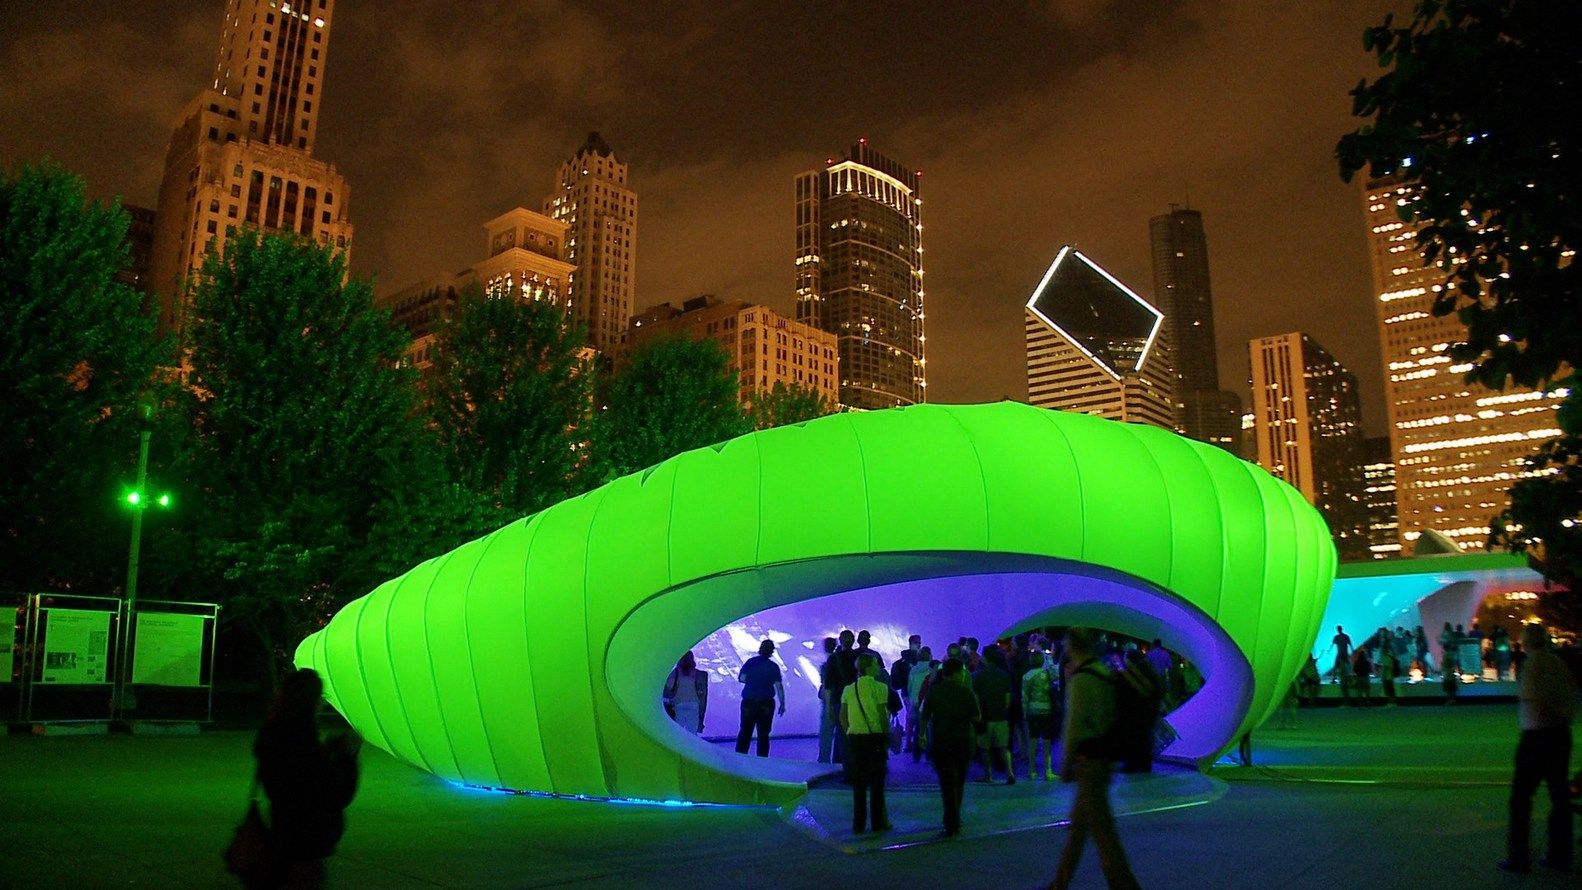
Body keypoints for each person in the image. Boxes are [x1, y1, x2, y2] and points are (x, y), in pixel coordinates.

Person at [253, 668, 360, 888]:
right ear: (309, 702)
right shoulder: (304, 743)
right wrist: (346, 759)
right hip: (306, 838)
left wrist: (327, 751)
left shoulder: (273, 734)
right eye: (320, 697)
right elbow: (335, 793)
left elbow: (289, 779)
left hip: (283, 829)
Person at [1051, 627, 1140, 890]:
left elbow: (1074, 726)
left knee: (1103, 833)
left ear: (1072, 647)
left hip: (1089, 760)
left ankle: (1125, 886)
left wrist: (1065, 762)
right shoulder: (1102, 672)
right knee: (1079, 829)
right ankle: (1059, 884)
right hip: (1104, 756)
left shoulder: (1082, 679)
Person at [1500, 623, 1577, 874]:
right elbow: (1569, 694)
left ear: (1525, 643)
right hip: (1560, 734)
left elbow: (1538, 699)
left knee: (1521, 799)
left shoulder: (1531, 665)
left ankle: (1519, 857)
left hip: (1536, 737)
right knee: (1559, 796)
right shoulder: (1557, 663)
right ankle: (1560, 854)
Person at [921, 658, 980, 838]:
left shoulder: (934, 691)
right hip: (963, 741)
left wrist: (921, 735)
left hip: (941, 742)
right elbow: (976, 717)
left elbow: (925, 715)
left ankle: (950, 821)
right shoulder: (966, 691)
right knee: (959, 782)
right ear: (957, 673)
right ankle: (955, 819)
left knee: (946, 783)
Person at [841, 653, 897, 834]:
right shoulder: (880, 687)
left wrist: (850, 731)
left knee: (859, 783)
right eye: (875, 663)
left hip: (855, 738)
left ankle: (858, 824)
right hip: (875, 738)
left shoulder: (849, 689)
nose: (878, 666)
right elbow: (882, 716)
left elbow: (842, 716)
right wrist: (886, 738)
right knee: (877, 782)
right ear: (868, 667)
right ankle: (877, 824)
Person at [735, 639, 785, 757]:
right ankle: (762, 760)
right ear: (772, 651)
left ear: (760, 649)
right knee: (764, 734)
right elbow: (779, 687)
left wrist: (753, 681)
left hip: (749, 702)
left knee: (745, 732)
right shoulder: (773, 666)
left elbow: (742, 678)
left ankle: (739, 759)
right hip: (767, 703)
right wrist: (782, 703)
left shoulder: (750, 662)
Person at [973, 646, 1015, 784]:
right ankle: (1010, 773)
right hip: (1001, 716)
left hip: (985, 717)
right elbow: (1008, 698)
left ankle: (988, 775)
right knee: (1004, 747)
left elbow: (976, 697)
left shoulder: (978, 675)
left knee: (985, 749)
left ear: (985, 658)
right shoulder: (1004, 674)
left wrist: (978, 714)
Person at [1021, 649, 1059, 779]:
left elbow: (1024, 697)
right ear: (1042, 661)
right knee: (1047, 741)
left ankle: (1031, 770)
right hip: (1047, 711)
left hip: (1032, 712)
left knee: (1033, 741)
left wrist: (1024, 713)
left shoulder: (1027, 676)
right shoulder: (1046, 673)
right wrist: (1050, 660)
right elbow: (1056, 675)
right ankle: (1048, 771)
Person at [663, 651, 709, 734]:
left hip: (678, 705)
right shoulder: (699, 674)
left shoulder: (676, 673)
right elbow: (702, 694)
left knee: (678, 732)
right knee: (692, 732)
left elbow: (668, 687)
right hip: (694, 705)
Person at [905, 646, 936, 762]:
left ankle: (916, 754)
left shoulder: (913, 669)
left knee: (918, 727)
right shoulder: (932, 669)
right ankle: (929, 754)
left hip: (915, 701)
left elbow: (909, 686)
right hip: (928, 701)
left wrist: (912, 698)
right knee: (929, 728)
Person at [817, 637, 840, 762]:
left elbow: (826, 685)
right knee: (842, 734)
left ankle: (824, 761)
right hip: (842, 701)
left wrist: (829, 705)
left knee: (826, 733)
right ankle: (840, 761)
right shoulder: (843, 662)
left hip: (829, 701)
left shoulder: (826, 666)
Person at [1331, 625, 1353, 695]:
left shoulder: (1341, 637)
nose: (1339, 630)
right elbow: (1350, 644)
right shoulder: (1340, 637)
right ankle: (1334, 678)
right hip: (1341, 653)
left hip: (1343, 653)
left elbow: (1350, 644)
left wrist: (1352, 650)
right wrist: (1352, 650)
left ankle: (1335, 678)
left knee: (1346, 666)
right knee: (1337, 666)